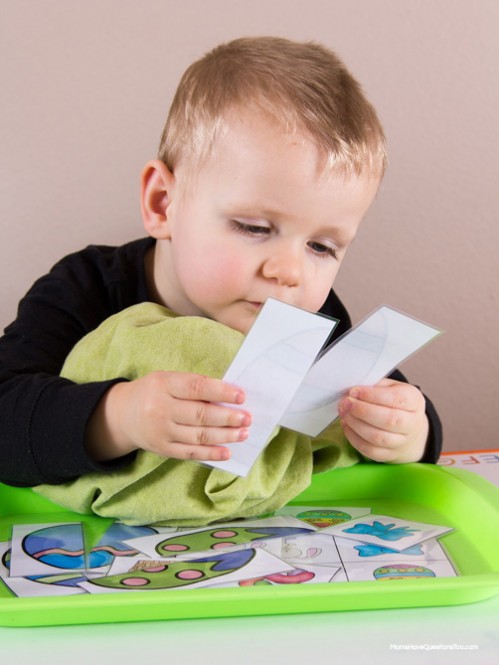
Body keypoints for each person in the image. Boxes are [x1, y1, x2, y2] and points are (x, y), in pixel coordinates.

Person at [0, 37, 442, 499]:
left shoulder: (306, 319)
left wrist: (409, 433)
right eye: (254, 227)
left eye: (321, 246)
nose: (289, 271)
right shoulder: (83, 288)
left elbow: (401, 410)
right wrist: (121, 417)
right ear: (163, 203)